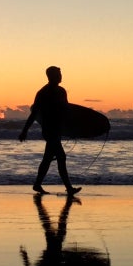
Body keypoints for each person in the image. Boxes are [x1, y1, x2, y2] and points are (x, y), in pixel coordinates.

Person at [18, 66, 81, 195]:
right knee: (61, 157)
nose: (61, 76)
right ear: (51, 76)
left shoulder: (62, 91)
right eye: (58, 74)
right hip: (49, 130)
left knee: (47, 159)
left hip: (57, 129)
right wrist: (25, 130)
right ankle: (69, 188)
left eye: (60, 73)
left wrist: (72, 128)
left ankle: (37, 184)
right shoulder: (43, 92)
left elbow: (66, 111)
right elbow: (34, 113)